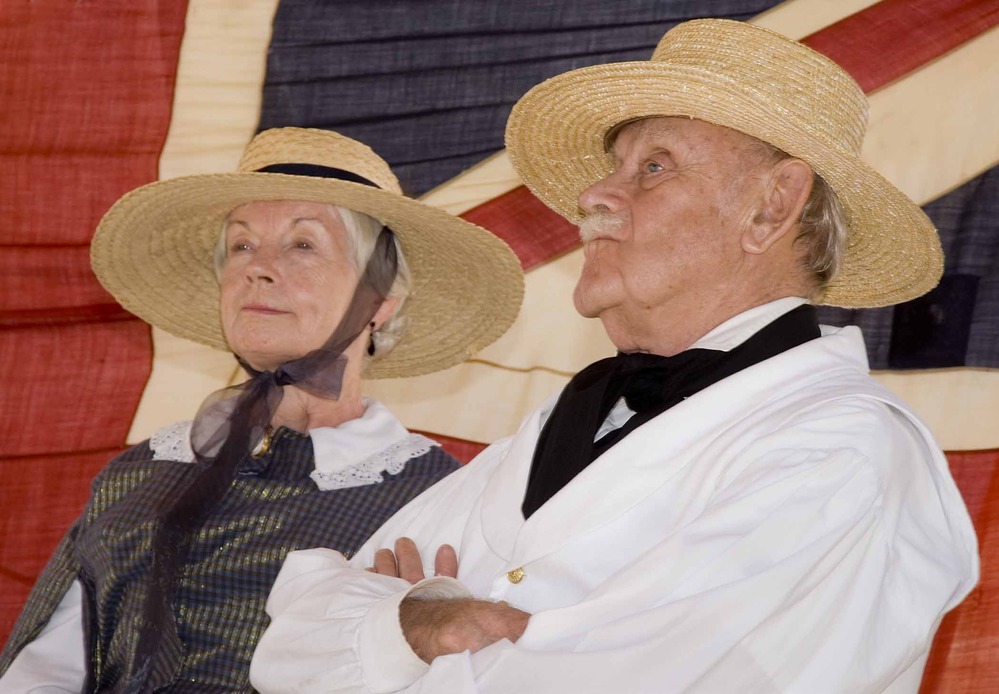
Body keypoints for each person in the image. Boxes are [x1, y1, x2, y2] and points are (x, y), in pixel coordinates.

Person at [249, 19, 978, 693]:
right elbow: (290, 642)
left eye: (654, 166)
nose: (593, 194)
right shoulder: (561, 422)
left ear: (771, 207)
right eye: (615, 165)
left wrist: (394, 633)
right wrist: (423, 621)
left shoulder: (844, 452)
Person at [0, 127, 524, 692]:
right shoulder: (138, 474)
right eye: (242, 246)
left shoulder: (435, 495)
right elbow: (42, 673)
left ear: (379, 301)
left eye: (303, 245)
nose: (258, 268)